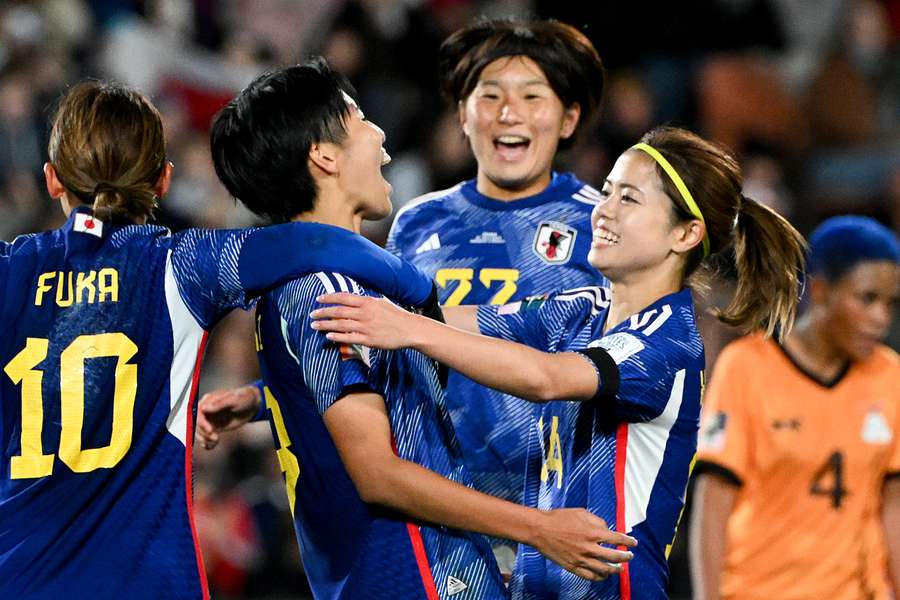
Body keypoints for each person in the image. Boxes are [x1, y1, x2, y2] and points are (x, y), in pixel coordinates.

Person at [310, 125, 807, 599]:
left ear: (685, 234)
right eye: (607, 191)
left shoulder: (668, 340)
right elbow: (454, 317)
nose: (602, 212)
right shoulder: (584, 306)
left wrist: (409, 329)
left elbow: (547, 378)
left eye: (628, 199)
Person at [205, 58, 635, 600]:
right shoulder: (320, 291)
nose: (380, 133)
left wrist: (265, 398)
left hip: (438, 569)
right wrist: (539, 529)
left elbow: (355, 397)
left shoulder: (347, 281)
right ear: (324, 155)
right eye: (359, 118)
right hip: (407, 578)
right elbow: (378, 474)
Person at [0, 80, 442, 599]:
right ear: (164, 181)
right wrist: (419, 289)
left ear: (53, 179)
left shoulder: (9, 273)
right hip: (149, 582)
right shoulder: (182, 266)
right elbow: (316, 242)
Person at [387, 18, 608, 508]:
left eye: (532, 97)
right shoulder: (416, 223)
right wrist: (260, 399)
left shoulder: (604, 224)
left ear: (569, 119)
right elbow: (383, 348)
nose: (509, 113)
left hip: (560, 508)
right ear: (462, 116)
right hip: (440, 508)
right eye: (489, 96)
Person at [690, 216, 900, 600]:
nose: (880, 319)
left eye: (890, 303)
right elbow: (712, 505)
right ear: (821, 292)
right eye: (867, 299)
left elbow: (893, 508)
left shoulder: (890, 376)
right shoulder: (747, 367)